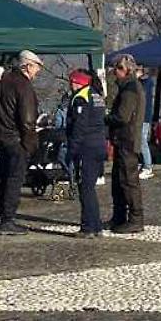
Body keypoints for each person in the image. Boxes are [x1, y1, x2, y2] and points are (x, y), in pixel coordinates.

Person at [0, 50, 43, 235]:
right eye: (37, 67)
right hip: (17, 139)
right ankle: (8, 220)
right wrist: (30, 144)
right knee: (14, 180)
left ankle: (4, 217)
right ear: (28, 65)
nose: (38, 72)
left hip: (2, 136)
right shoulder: (23, 85)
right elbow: (28, 120)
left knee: (5, 179)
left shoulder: (4, 81)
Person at [106, 53, 146, 234]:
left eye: (116, 69)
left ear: (124, 69)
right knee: (119, 180)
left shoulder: (130, 88)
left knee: (128, 180)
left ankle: (135, 218)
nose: (114, 73)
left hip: (127, 140)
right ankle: (119, 216)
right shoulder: (130, 87)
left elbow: (122, 116)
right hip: (125, 139)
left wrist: (106, 118)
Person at [67, 69, 107, 238]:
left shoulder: (81, 98)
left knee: (85, 187)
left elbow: (79, 127)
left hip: (86, 147)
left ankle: (88, 226)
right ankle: (96, 224)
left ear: (76, 82)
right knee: (90, 187)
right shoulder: (96, 95)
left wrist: (72, 149)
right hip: (99, 145)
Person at [137, 67, 155, 180]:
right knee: (139, 141)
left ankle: (148, 166)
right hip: (142, 117)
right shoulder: (144, 83)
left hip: (144, 117)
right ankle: (143, 162)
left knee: (143, 141)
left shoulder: (147, 83)